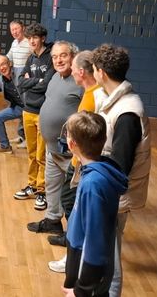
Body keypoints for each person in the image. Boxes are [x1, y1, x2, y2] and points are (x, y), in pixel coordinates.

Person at [92, 44, 151, 297]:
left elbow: (120, 166)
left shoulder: (127, 112)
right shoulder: (112, 100)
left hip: (114, 195)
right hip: (107, 191)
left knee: (110, 257)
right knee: (103, 252)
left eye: (94, 69)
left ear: (102, 72)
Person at [61, 111, 128, 297]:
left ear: (71, 144)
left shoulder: (94, 184)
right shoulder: (94, 172)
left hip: (87, 274)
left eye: (67, 134)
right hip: (83, 265)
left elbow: (95, 242)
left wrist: (82, 290)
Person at [48, 50, 105, 271]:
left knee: (74, 208)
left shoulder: (96, 96)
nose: (71, 71)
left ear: (81, 72)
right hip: (78, 161)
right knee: (69, 202)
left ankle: (75, 255)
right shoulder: (89, 92)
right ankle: (73, 249)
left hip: (84, 164)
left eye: (73, 68)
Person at [27, 41, 83, 235]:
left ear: (73, 57)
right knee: (52, 186)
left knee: (72, 193)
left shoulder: (80, 81)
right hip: (52, 147)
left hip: (71, 151)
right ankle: (52, 220)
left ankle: (74, 233)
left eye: (63, 56)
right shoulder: (55, 78)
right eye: (55, 57)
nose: (58, 60)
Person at [13, 22, 54, 211]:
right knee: (31, 153)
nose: (32, 41)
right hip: (28, 110)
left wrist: (33, 82)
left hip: (43, 112)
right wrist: (35, 81)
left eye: (35, 37)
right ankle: (32, 184)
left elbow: (46, 85)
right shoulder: (31, 58)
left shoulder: (50, 58)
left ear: (42, 38)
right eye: (29, 38)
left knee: (41, 154)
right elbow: (20, 81)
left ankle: (42, 190)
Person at [0, 20, 29, 147]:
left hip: (25, 79)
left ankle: (28, 139)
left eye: (16, 28)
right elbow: (7, 59)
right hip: (14, 78)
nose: (14, 32)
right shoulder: (14, 43)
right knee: (18, 105)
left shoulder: (29, 43)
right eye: (12, 30)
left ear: (23, 28)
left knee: (25, 107)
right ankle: (22, 136)